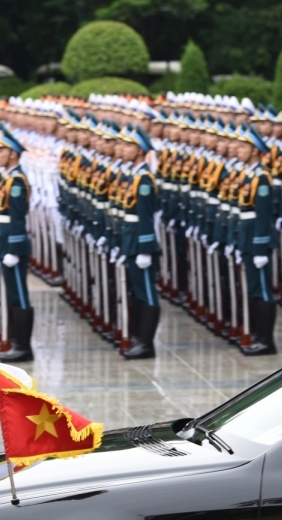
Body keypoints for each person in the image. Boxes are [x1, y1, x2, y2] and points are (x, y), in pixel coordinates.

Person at [116, 125, 162, 360]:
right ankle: (139, 338)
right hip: (131, 240)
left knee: (147, 292)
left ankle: (146, 343)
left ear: (140, 150)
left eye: (127, 146)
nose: (122, 150)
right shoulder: (134, 175)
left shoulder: (144, 179)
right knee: (137, 291)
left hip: (141, 242)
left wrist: (144, 248)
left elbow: (145, 216)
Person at [0, 128, 34, 362]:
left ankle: (24, 347)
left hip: (13, 246)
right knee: (12, 295)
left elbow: (18, 218)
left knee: (20, 296)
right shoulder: (9, 178)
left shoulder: (17, 182)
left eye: (1, 150)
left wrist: (14, 249)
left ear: (13, 154)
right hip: (5, 242)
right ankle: (17, 342)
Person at [238, 124, 277, 356]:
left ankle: (266, 340)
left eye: (243, 147)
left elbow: (262, 215)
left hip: (257, 238)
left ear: (254, 150)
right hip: (247, 236)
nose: (238, 150)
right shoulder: (249, 174)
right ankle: (257, 335)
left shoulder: (261, 178)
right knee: (253, 288)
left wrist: (261, 246)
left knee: (262, 290)